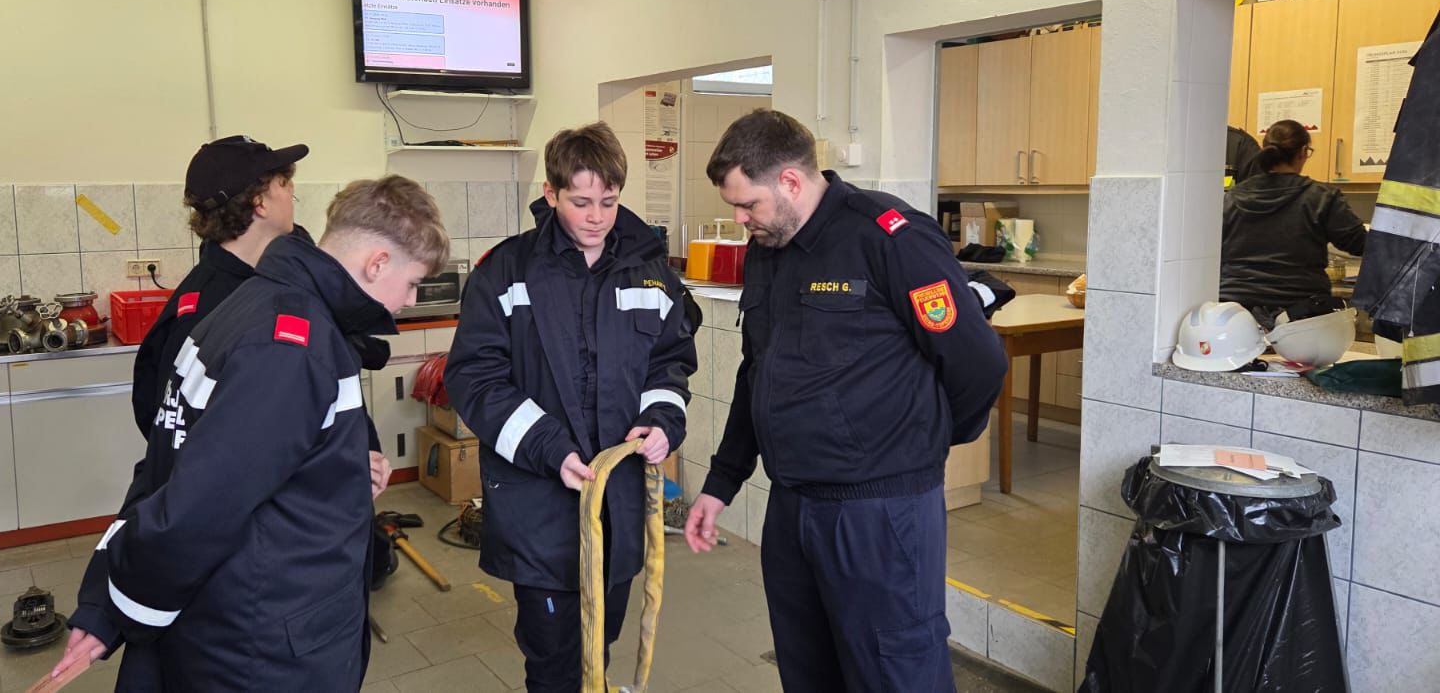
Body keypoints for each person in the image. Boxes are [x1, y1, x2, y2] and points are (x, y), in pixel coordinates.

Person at [56, 176, 448, 690]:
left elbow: (174, 465)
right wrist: (124, 609)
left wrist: (344, 468)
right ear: (377, 263)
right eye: (413, 282)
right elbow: (200, 506)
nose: (411, 300)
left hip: (248, 620)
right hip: (266, 640)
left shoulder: (255, 303)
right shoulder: (291, 345)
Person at [682, 109, 1006, 693]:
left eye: (747, 205)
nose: (739, 220)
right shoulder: (768, 248)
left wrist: (926, 441)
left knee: (896, 674)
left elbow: (977, 360)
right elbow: (757, 372)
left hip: (879, 512)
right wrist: (722, 481)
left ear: (790, 181)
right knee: (808, 671)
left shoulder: (888, 237)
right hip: (793, 507)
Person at [445, 122, 697, 693]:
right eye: (581, 202)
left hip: (618, 503)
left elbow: (669, 361)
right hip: (541, 503)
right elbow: (475, 378)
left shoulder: (649, 271)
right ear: (551, 193)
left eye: (609, 201)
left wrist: (662, 421)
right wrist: (550, 448)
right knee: (555, 658)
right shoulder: (506, 270)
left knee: (600, 642)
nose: (597, 217)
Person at [1220, 119, 1367, 326]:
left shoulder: (1232, 198)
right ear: (1303, 151)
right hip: (1300, 315)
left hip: (1236, 314)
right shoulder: (1321, 197)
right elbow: (1359, 244)